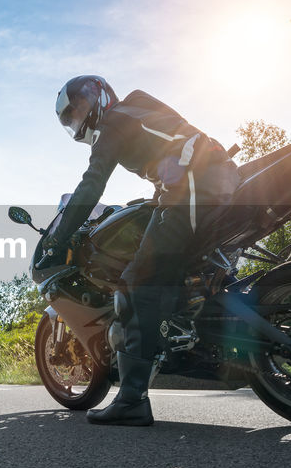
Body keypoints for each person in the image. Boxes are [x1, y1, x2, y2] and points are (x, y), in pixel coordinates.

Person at [40, 75, 239, 426]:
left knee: (134, 285)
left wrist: (58, 237)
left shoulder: (113, 124)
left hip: (196, 183)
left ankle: (132, 399)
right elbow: (168, 146)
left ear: (97, 96)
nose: (78, 119)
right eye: (70, 117)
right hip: (212, 177)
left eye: (79, 108)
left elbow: (91, 185)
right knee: (185, 269)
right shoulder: (137, 106)